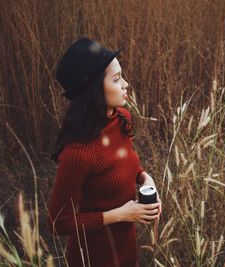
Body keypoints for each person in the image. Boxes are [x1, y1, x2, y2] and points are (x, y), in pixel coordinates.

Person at [47, 37, 162, 267]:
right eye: (117, 79)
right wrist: (121, 214)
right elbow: (58, 223)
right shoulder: (77, 153)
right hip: (94, 256)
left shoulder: (121, 119)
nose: (126, 84)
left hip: (126, 248)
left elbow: (127, 163)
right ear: (95, 90)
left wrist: (146, 178)